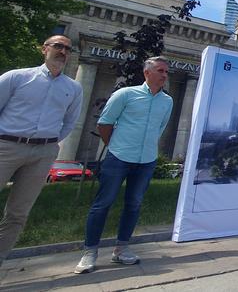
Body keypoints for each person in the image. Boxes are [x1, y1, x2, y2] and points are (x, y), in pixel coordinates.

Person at [75, 57, 173, 274]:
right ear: (147, 73)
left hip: (146, 160)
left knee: (134, 205)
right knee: (103, 203)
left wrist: (146, 147)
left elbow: (160, 127)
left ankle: (121, 250)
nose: (164, 75)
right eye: (160, 70)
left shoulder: (167, 101)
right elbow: (105, 123)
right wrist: (115, 145)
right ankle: (89, 252)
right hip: (118, 157)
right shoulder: (125, 94)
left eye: (166, 71)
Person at [0, 35, 82, 266]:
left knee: (18, 213)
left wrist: (48, 142)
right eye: (58, 46)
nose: (63, 51)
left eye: (67, 48)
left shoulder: (73, 88)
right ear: (44, 49)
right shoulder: (17, 77)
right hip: (6, 146)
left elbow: (69, 122)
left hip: (43, 153)